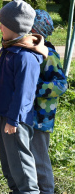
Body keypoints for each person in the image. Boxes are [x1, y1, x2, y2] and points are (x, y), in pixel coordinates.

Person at [0, 0, 48, 193]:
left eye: (3, 24)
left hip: (16, 120)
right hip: (5, 116)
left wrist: (13, 120)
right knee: (9, 165)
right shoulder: (7, 50)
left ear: (15, 26)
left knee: (21, 165)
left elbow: (24, 93)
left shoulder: (25, 56)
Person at [30, 10, 67, 194]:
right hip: (28, 116)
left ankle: (46, 190)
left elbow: (61, 85)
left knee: (39, 158)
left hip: (41, 118)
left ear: (37, 32)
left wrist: (35, 88)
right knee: (29, 157)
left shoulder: (49, 55)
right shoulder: (29, 51)